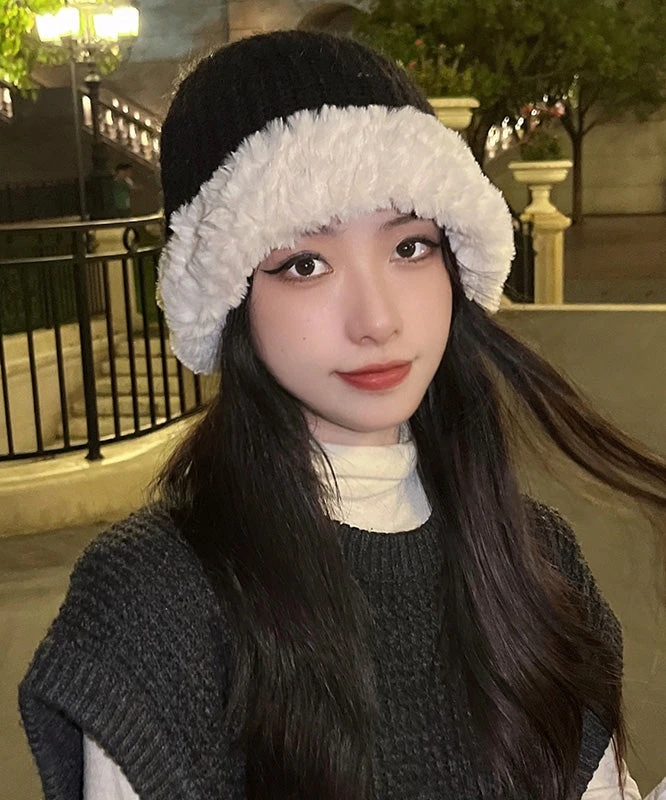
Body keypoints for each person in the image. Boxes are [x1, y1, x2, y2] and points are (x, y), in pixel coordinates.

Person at [18, 30, 665, 800]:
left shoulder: (536, 557)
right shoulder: (155, 601)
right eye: (305, 264)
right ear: (226, 297)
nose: (378, 320)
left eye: (410, 247)